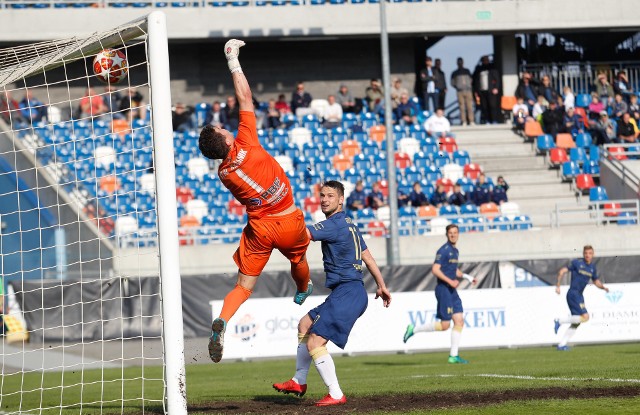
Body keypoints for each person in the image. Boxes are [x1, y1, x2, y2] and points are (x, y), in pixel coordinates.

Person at [198, 39, 312, 363]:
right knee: (298, 261)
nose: (224, 126)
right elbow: (245, 96)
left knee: (244, 286)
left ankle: (222, 321)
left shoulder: (224, 172)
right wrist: (232, 60)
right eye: (221, 128)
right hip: (287, 219)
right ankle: (303, 291)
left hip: (260, 229)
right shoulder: (246, 141)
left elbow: (227, 150)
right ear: (225, 138)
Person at [272, 180, 391, 407]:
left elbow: (302, 235)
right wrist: (381, 285)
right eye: (322, 195)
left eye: (330, 196)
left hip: (348, 292)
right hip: (349, 291)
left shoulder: (333, 224)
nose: (324, 199)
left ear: (341, 199)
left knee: (315, 342)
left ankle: (336, 393)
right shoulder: (349, 224)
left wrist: (276, 227)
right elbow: (367, 256)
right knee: (304, 325)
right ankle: (299, 380)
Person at [403, 224, 476, 364]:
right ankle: (414, 329)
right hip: (443, 289)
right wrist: (450, 281)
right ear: (447, 234)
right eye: (451, 233)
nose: (453, 235)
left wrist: (468, 277)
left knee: (459, 320)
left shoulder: (455, 251)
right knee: (445, 326)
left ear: (458, 234)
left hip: (451, 290)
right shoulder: (443, 251)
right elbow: (435, 269)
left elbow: (454, 270)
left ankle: (453, 356)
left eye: (455, 233)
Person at [553, 245, 608, 351]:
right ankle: (559, 321)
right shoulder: (577, 263)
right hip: (573, 294)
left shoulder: (592, 268)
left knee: (576, 323)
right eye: (586, 253)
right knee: (585, 317)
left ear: (593, 254)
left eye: (590, 253)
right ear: (583, 254)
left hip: (579, 295)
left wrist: (603, 288)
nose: (588, 255)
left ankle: (561, 345)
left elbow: (596, 281)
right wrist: (558, 285)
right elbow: (562, 271)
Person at [472, 55, 502, 124]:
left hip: (491, 91)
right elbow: (475, 80)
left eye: (486, 60)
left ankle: (494, 120)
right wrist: (476, 91)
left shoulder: (492, 68)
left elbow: (497, 79)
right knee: (484, 107)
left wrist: (496, 88)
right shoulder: (479, 69)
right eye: (484, 60)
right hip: (482, 92)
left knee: (493, 106)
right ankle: (487, 120)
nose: (485, 61)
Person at [450, 57, 474, 126]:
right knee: (461, 107)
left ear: (463, 62)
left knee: (469, 106)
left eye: (461, 62)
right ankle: (463, 121)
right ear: (457, 63)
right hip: (460, 91)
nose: (460, 63)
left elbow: (471, 79)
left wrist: (468, 85)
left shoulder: (467, 71)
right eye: (459, 62)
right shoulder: (454, 73)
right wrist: (458, 87)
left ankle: (471, 120)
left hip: (468, 91)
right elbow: (452, 83)